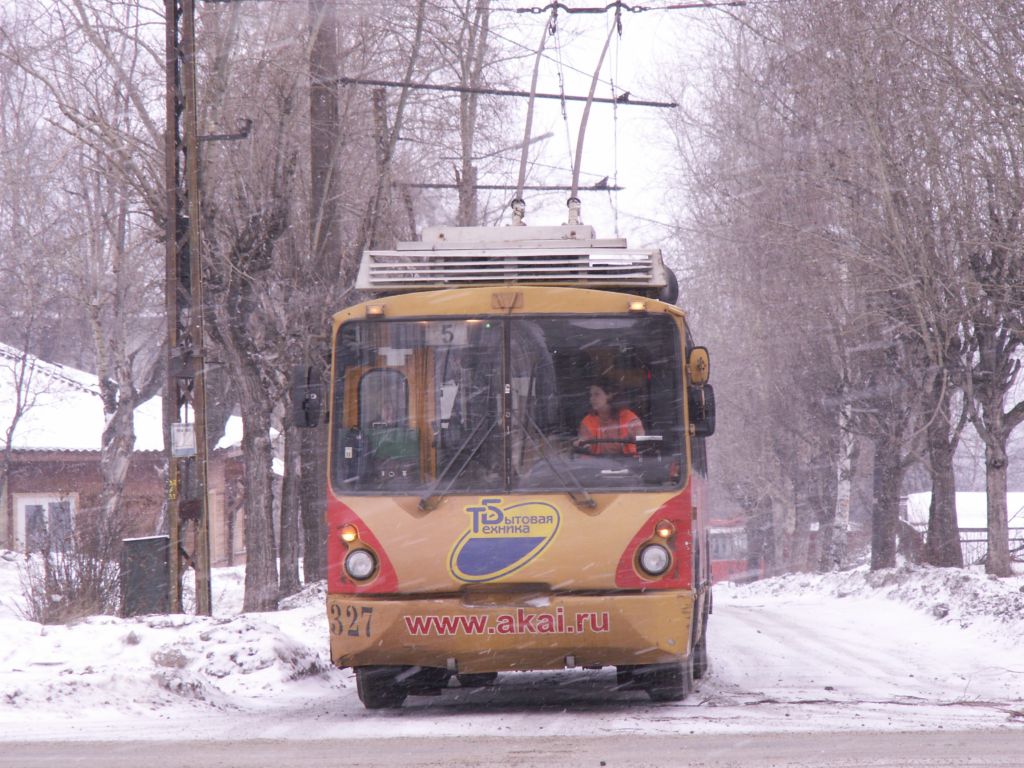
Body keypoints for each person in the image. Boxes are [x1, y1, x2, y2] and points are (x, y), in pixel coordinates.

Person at [574, 380, 644, 455]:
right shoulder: (588, 421)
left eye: (596, 394)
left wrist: (634, 437)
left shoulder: (628, 417)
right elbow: (584, 442)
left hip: (628, 461)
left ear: (609, 395)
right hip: (597, 462)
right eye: (591, 395)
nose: (592, 399)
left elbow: (642, 440)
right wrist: (581, 444)